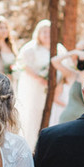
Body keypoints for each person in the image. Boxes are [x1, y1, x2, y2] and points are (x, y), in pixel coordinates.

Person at [17, 20, 55, 148]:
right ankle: (31, 146)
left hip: (52, 90)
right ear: (38, 33)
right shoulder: (30, 48)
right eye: (44, 31)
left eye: (49, 31)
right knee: (33, 115)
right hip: (35, 89)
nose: (47, 34)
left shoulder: (58, 48)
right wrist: (40, 78)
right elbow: (24, 65)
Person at [51, 48, 84, 123]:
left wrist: (83, 79)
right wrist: (73, 52)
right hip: (67, 119)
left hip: (83, 122)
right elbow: (54, 61)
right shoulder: (73, 75)